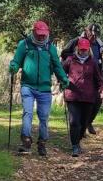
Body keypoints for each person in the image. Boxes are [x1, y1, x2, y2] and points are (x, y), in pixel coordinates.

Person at [9, 20, 69, 156]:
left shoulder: (50, 48)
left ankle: (42, 143)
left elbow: (57, 66)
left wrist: (63, 78)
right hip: (27, 86)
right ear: (33, 32)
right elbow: (16, 61)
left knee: (44, 117)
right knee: (27, 113)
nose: (41, 37)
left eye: (44, 34)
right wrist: (13, 66)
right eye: (39, 34)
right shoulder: (23, 45)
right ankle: (26, 142)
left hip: (44, 88)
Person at [62, 37, 103, 157]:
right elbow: (61, 72)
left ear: (89, 49)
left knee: (83, 123)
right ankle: (75, 146)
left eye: (85, 49)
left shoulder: (93, 62)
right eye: (81, 49)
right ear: (77, 49)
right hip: (72, 96)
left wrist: (102, 90)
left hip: (88, 97)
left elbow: (99, 79)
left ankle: (78, 140)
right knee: (74, 121)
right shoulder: (70, 60)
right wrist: (63, 81)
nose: (83, 51)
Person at [61, 23, 103, 134]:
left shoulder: (98, 44)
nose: (94, 37)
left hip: (94, 75)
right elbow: (64, 54)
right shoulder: (76, 41)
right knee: (80, 103)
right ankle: (81, 128)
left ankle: (87, 122)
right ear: (87, 31)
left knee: (97, 101)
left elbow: (99, 59)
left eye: (96, 35)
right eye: (92, 34)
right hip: (77, 75)